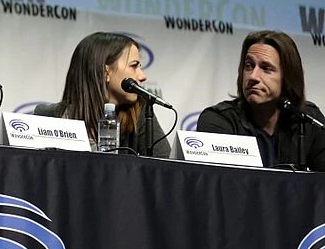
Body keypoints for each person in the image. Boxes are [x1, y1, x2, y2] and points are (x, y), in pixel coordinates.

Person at [197, 30, 325, 171]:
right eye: (249, 66)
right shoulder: (219, 121)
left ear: (288, 77)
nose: (253, 76)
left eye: (266, 68)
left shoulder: (308, 121)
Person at [35, 31, 169, 157]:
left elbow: (165, 170)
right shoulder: (49, 118)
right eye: (134, 66)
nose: (142, 76)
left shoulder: (140, 112)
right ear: (105, 73)